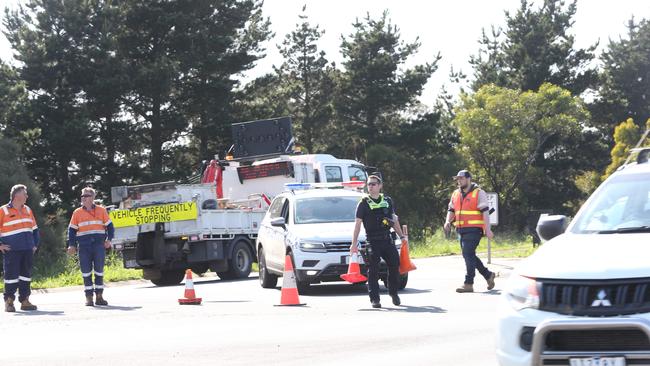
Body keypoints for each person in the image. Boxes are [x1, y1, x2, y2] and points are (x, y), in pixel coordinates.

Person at [350, 175, 406, 308]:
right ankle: (375, 299)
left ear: (380, 186)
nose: (371, 186)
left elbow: (394, 220)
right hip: (372, 241)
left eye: (374, 184)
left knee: (394, 265)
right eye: (369, 184)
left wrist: (402, 237)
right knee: (373, 270)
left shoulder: (387, 200)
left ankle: (393, 293)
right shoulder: (363, 203)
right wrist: (354, 243)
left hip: (387, 238)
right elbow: (357, 224)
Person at [443, 170, 496, 293]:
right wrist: (447, 222)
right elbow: (451, 210)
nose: (459, 181)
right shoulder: (456, 194)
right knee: (469, 255)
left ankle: (468, 283)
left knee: (467, 253)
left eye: (461, 178)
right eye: (458, 179)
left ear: (468, 179)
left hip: (475, 230)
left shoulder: (479, 193)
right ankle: (488, 275)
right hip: (461, 230)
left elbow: (485, 212)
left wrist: (488, 229)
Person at [67, 187, 114, 306]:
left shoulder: (101, 210)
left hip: (98, 245)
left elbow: (110, 227)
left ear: (92, 198)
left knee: (99, 271)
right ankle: (89, 297)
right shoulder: (77, 212)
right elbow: (72, 230)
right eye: (82, 196)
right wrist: (71, 245)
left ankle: (99, 296)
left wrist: (109, 240)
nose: (83, 198)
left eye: (86, 196)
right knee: (86, 272)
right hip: (84, 246)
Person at [0, 184, 39, 312]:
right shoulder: (3, 210)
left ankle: (25, 300)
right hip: (12, 250)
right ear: (17, 195)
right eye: (25, 193)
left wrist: (35, 245)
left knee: (25, 276)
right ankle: (9, 302)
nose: (27, 196)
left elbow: (35, 230)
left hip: (27, 249)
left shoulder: (28, 210)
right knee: (11, 276)